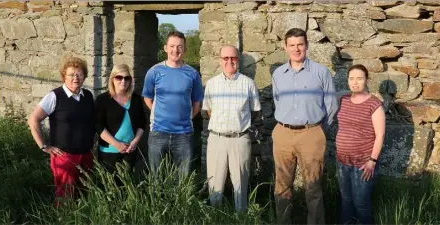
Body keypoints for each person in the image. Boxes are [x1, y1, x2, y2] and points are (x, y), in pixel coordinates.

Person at [271, 28, 338, 224]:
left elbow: (331, 106)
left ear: (307, 45)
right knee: (282, 185)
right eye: (292, 45)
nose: (296, 49)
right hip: (283, 133)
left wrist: (318, 131)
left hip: (312, 133)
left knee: (313, 186)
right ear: (285, 47)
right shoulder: (278, 74)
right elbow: (277, 101)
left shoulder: (321, 72)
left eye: (300, 44)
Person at [28, 56, 95, 206]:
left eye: (79, 74)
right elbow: (33, 119)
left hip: (86, 154)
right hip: (65, 155)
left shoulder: (88, 96)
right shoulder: (55, 96)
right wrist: (44, 146)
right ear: (64, 76)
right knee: (65, 195)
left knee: (84, 193)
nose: (76, 78)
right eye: (71, 74)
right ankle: (62, 219)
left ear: (84, 76)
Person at [202, 45, 261, 212]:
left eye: (233, 58)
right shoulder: (212, 84)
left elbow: (254, 111)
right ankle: (214, 216)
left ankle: (241, 217)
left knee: (240, 183)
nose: (230, 61)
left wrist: (238, 124)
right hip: (217, 139)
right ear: (220, 60)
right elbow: (208, 111)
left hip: (240, 139)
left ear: (238, 60)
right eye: (225, 58)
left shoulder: (248, 84)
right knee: (214, 183)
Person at [142, 31, 204, 176]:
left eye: (179, 47)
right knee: (156, 177)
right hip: (158, 132)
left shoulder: (192, 74)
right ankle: (157, 200)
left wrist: (186, 117)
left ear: (184, 49)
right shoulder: (154, 72)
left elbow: (197, 102)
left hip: (184, 134)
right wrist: (158, 114)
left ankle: (179, 200)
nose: (175, 50)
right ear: (165, 48)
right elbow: (147, 97)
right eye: (172, 46)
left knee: (182, 178)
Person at [335, 64, 385, 224]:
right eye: (351, 79)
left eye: (359, 78)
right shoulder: (343, 100)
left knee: (361, 203)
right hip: (342, 161)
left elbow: (380, 135)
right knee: (345, 201)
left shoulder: (374, 104)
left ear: (366, 80)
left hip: (363, 164)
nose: (355, 82)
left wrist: (372, 161)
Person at [95, 64, 146, 176]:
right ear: (112, 79)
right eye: (119, 77)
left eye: (127, 78)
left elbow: (142, 123)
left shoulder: (136, 99)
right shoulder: (103, 100)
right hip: (108, 152)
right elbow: (98, 125)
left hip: (130, 151)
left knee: (128, 187)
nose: (123, 81)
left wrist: (135, 142)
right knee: (109, 187)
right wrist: (117, 144)